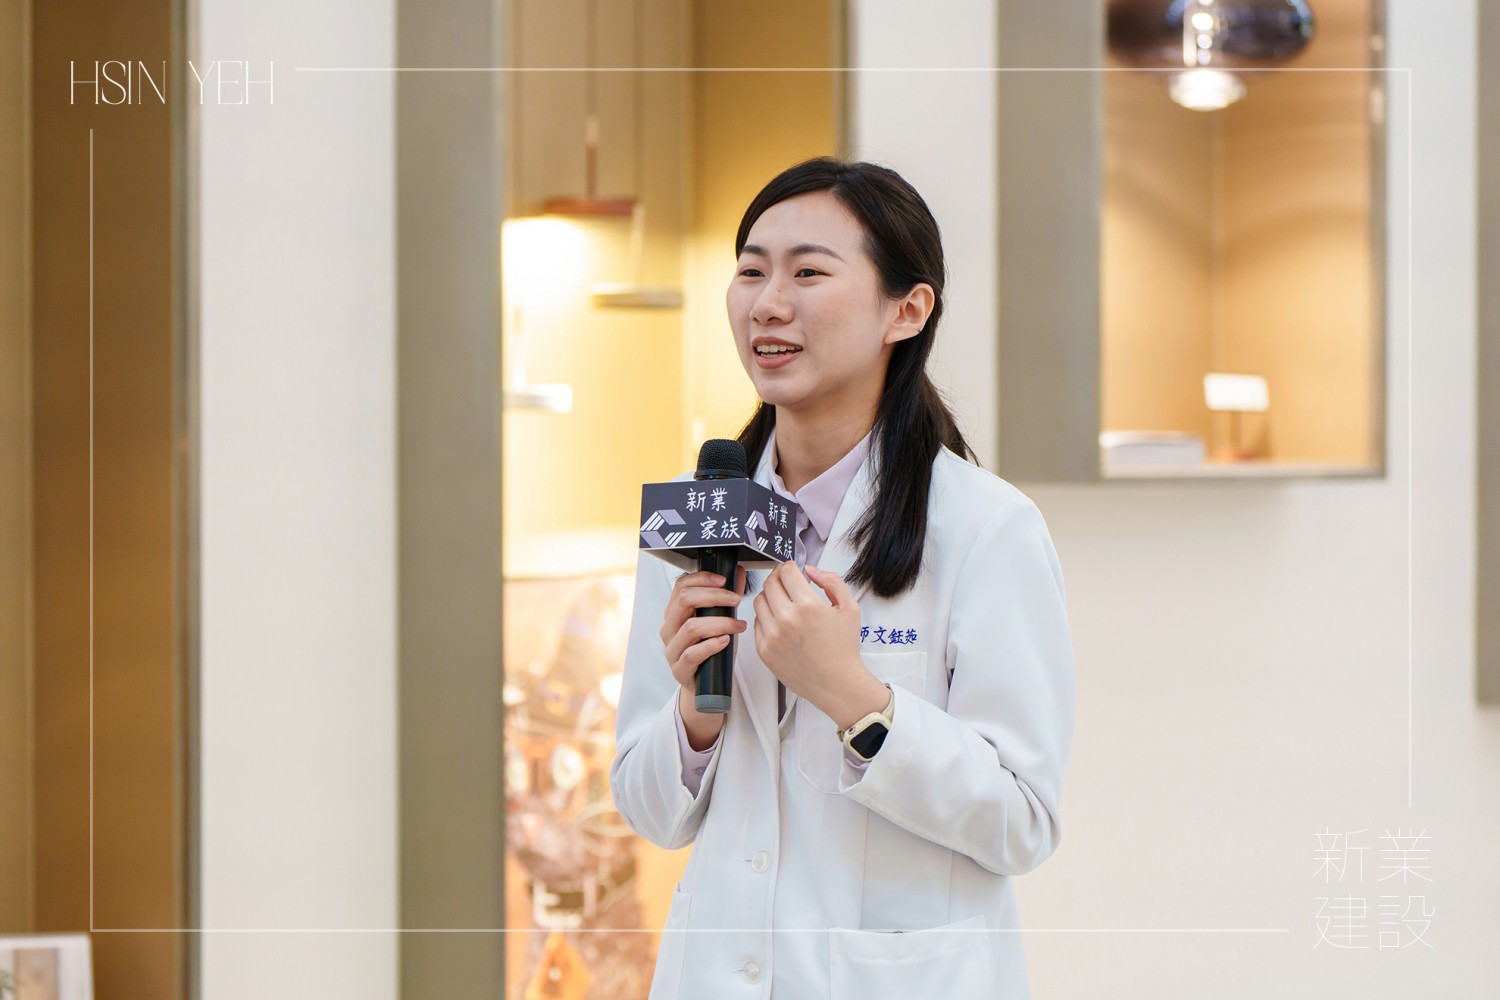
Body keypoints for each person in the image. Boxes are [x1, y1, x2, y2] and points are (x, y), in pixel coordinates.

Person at [609, 156, 1077, 1000]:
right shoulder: (695, 520)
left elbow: (1021, 823)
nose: (767, 303)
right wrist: (694, 713)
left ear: (908, 309)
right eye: (750, 271)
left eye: (808, 273)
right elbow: (649, 812)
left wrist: (855, 700)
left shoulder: (986, 529)